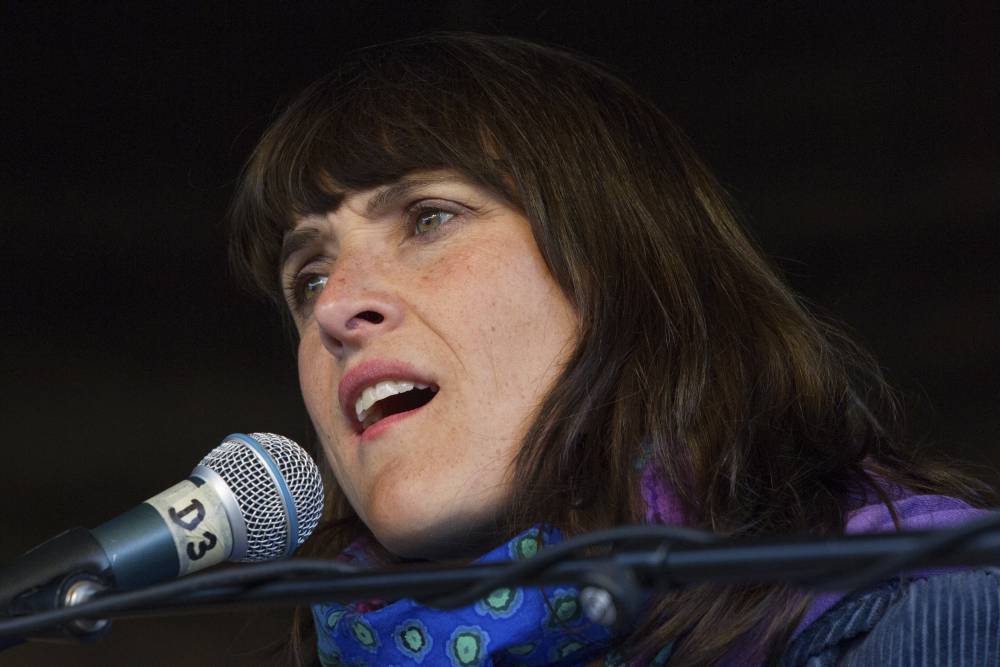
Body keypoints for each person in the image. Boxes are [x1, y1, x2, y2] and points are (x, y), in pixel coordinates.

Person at [227, 32, 998, 666]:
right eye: (309, 277)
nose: (334, 306)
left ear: (618, 267)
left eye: (428, 218)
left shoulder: (925, 618)